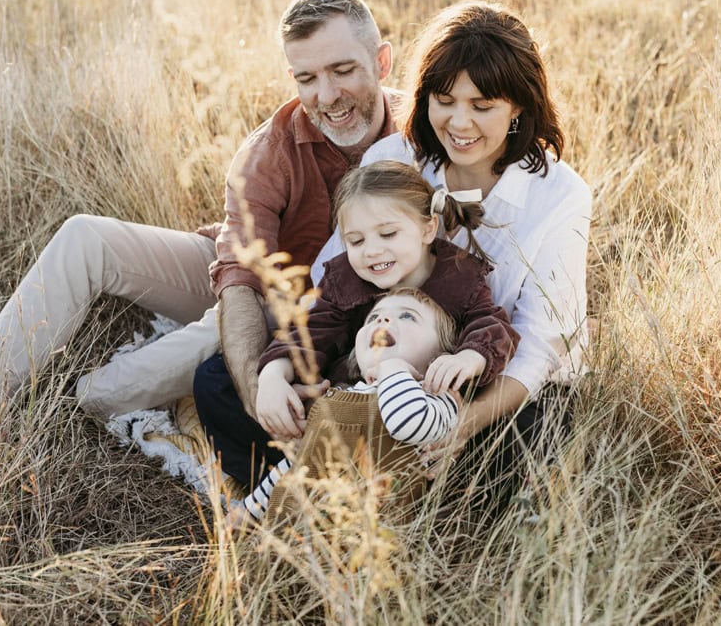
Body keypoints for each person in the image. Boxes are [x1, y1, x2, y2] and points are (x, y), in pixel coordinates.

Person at [0, 0, 398, 417]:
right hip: (247, 278)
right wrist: (252, 387)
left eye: (343, 71)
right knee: (86, 236)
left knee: (236, 324)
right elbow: (239, 277)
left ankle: (82, 401)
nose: (326, 96)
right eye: (307, 78)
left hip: (317, 309)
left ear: (382, 62)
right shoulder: (269, 152)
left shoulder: (418, 134)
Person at [313, 0, 592, 510]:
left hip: (498, 383)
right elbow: (330, 274)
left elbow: (539, 348)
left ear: (519, 109)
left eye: (483, 105)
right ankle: (325, 485)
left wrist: (464, 423)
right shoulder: (393, 159)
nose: (459, 123)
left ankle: (428, 496)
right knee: (222, 383)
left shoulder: (561, 196)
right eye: (445, 100)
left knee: (519, 447)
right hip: (387, 362)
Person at [198, 159, 519, 484]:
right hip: (351, 401)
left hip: (424, 413)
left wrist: (469, 357)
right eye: (357, 241)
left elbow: (492, 324)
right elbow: (310, 332)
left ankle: (421, 492)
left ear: (427, 228)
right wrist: (272, 377)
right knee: (214, 378)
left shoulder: (459, 276)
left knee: (514, 432)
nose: (372, 251)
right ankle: (280, 480)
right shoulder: (346, 277)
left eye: (388, 234)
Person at [234, 288, 464, 528]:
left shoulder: (439, 399)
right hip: (298, 528)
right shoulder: (342, 397)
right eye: (374, 318)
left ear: (440, 356)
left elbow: (407, 425)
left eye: (408, 316)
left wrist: (393, 369)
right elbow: (300, 461)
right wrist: (250, 510)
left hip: (374, 539)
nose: (383, 320)